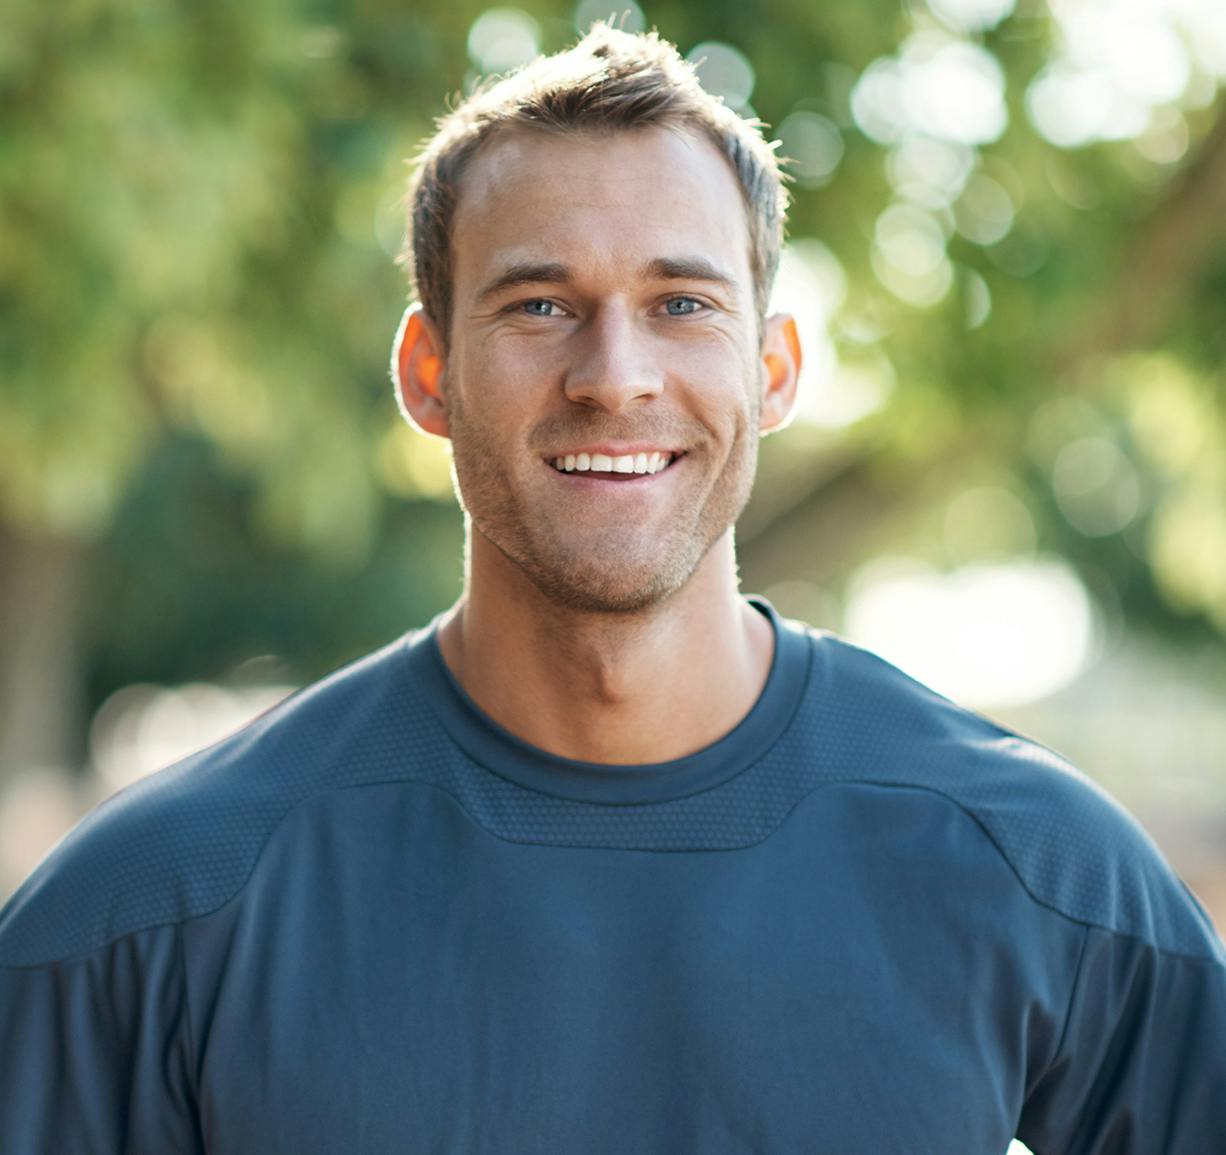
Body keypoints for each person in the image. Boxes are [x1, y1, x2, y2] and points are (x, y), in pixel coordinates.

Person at [1, 23, 1224, 1154]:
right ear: (427, 372)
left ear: (773, 366)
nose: (614, 375)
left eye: (680, 304)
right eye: (539, 305)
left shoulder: (1034, 870)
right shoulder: (148, 919)